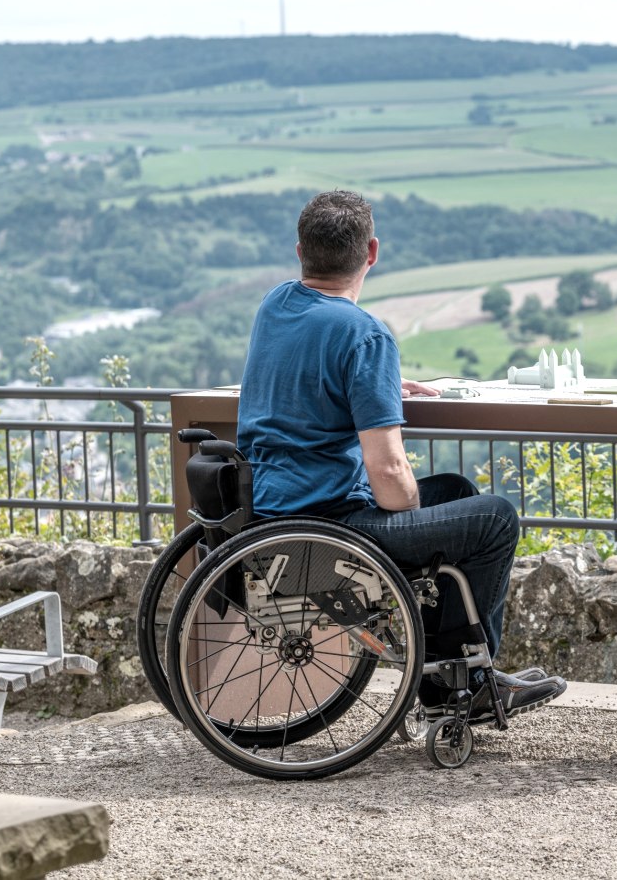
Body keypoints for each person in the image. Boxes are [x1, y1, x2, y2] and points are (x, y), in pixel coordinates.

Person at [236, 189, 566, 719]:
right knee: (496, 519)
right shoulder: (365, 336)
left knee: (457, 493)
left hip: (273, 519)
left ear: (300, 251)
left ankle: (442, 679)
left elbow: (310, 368)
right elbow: (388, 473)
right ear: (372, 252)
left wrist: (378, 385)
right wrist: (409, 508)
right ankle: (468, 685)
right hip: (331, 531)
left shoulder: (276, 304)